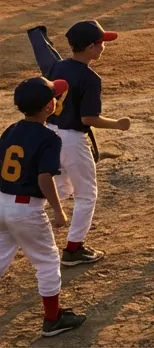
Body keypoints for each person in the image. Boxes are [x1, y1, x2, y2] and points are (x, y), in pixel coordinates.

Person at [1, 77, 87, 338]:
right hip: (26, 210)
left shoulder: (11, 129)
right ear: (50, 106)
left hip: (2, 202)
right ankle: (53, 318)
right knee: (47, 262)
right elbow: (44, 178)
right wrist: (59, 211)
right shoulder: (49, 137)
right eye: (54, 97)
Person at [46, 20, 128, 267]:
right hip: (72, 140)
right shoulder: (91, 78)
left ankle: (18, 224)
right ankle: (74, 249)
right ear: (91, 47)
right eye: (101, 43)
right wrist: (118, 124)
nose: (103, 47)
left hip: (50, 133)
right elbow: (88, 119)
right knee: (86, 195)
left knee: (60, 188)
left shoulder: (56, 67)